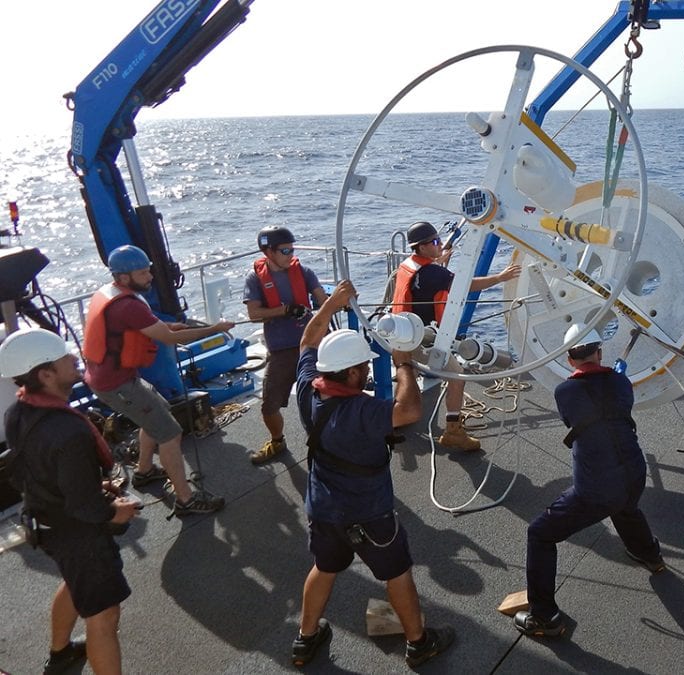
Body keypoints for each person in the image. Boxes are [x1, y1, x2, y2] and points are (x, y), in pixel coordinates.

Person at [291, 279, 455, 668]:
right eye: (362, 366)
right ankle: (418, 643)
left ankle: (305, 638)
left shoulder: (308, 393)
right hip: (370, 514)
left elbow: (307, 342)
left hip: (324, 510)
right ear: (349, 373)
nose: (366, 370)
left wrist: (331, 304)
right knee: (396, 573)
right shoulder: (365, 413)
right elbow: (410, 411)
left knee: (325, 567)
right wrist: (404, 364)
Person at [1, 328, 141, 675]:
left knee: (74, 581)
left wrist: (91, 482)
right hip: (77, 533)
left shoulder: (18, 411)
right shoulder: (70, 431)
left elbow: (42, 467)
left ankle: (61, 651)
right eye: (65, 357)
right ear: (46, 374)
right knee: (103, 614)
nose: (74, 358)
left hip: (44, 521)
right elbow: (86, 508)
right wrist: (116, 512)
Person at [514, 324, 664, 639]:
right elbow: (615, 397)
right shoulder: (622, 383)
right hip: (635, 473)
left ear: (569, 360)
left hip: (595, 490)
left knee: (540, 534)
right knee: (626, 506)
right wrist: (613, 375)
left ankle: (544, 616)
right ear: (599, 352)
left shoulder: (563, 391)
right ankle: (649, 555)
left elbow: (575, 415)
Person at [83, 245, 232, 516]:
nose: (150, 276)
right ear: (124, 277)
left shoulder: (114, 293)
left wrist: (168, 328)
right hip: (118, 384)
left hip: (114, 377)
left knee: (156, 411)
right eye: (143, 272)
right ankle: (186, 501)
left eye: (149, 270)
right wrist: (214, 329)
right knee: (170, 433)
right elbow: (169, 340)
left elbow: (145, 330)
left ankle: (144, 471)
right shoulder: (128, 305)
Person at [389, 221, 521, 451]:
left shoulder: (408, 265)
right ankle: (453, 431)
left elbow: (426, 280)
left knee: (406, 373)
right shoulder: (433, 272)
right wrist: (501, 278)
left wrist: (440, 263)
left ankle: (394, 416)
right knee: (457, 376)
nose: (439, 244)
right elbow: (466, 285)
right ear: (421, 247)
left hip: (401, 335)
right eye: (435, 242)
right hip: (421, 339)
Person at [243, 226, 328, 464]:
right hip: (282, 351)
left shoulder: (304, 272)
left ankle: (330, 441)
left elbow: (322, 299)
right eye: (285, 250)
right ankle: (277, 441)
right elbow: (254, 313)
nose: (290, 254)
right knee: (269, 405)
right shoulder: (254, 279)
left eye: (292, 249)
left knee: (326, 398)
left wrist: (340, 301)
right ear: (268, 252)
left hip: (312, 345)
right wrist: (285, 310)